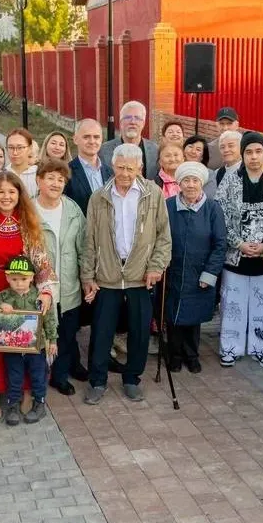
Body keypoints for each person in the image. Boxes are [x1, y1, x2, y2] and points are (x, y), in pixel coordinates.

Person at [80, 144, 171, 404]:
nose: (124, 173)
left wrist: (156, 265)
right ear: (113, 166)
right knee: (101, 332)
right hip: (107, 275)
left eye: (130, 168)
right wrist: (88, 276)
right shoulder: (99, 197)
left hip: (140, 275)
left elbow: (164, 237)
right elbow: (89, 241)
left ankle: (132, 379)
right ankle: (97, 381)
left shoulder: (153, 194)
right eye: (120, 167)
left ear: (139, 168)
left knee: (140, 331)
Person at [0, 172, 56, 418]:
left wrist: (46, 290)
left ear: (19, 195)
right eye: (1, 192)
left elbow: (40, 258)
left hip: (23, 288)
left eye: (12, 192)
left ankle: (27, 391)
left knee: (24, 341)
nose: (6, 197)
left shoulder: (27, 221)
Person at [216, 131, 263, 368]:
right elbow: (221, 215)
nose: (254, 157)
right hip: (236, 255)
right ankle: (230, 347)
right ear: (242, 154)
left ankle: (262, 348)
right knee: (233, 304)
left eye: (258, 151)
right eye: (248, 152)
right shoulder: (229, 180)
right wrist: (238, 242)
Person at [163, 161, 226, 374]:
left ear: (202, 183)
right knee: (173, 316)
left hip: (200, 272)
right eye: (186, 180)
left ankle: (191, 355)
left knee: (194, 317)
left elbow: (220, 244)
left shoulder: (212, 208)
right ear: (179, 183)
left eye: (195, 180)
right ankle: (174, 355)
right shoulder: (169, 206)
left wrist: (210, 273)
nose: (190, 185)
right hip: (173, 270)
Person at [33, 159, 86, 395]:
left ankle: (60, 375)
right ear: (39, 180)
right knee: (39, 335)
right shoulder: (28, 211)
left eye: (61, 179)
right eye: (50, 178)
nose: (56, 183)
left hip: (69, 286)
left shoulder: (73, 209)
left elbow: (84, 248)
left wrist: (87, 278)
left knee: (66, 334)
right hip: (37, 288)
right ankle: (37, 377)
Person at [0, 255, 58, 424]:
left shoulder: (40, 298)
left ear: (32, 277)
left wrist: (53, 340)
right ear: (7, 278)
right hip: (12, 348)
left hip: (36, 347)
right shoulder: (3, 296)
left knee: (38, 375)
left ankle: (39, 404)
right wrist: (0, 306)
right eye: (14, 279)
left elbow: (49, 319)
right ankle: (12, 405)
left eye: (24, 279)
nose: (19, 283)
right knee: (14, 376)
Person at [99, 100, 159, 177]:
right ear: (120, 122)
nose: (132, 122)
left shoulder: (155, 150)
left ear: (143, 123)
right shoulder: (104, 150)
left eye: (137, 118)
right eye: (127, 117)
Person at [65, 119, 111, 216]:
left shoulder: (111, 173)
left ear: (101, 139)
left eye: (96, 137)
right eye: (86, 137)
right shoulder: (66, 172)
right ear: (75, 139)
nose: (92, 141)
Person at [5, 128, 38, 195]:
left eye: (20, 147)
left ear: (30, 148)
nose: (15, 153)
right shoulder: (0, 175)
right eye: (11, 147)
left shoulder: (39, 175)